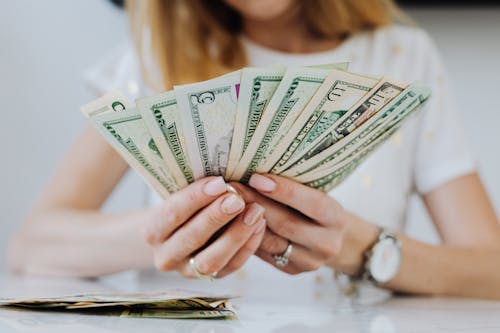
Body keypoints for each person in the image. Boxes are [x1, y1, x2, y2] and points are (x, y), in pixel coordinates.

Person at [8, 0, 500, 299]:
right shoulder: (156, 54)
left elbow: (491, 273)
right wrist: (172, 233)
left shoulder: (403, 57)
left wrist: (360, 248)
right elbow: (33, 246)